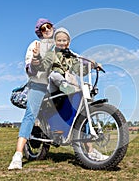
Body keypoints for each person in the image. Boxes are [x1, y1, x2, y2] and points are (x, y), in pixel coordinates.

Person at [32, 27, 109, 161]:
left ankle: (90, 151)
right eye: (59, 40)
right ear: (55, 41)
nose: (62, 42)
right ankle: (65, 85)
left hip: (65, 89)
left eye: (64, 40)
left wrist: (91, 66)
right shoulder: (52, 53)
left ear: (68, 42)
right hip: (53, 85)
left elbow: (78, 69)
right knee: (55, 75)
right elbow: (44, 66)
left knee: (82, 111)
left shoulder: (71, 56)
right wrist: (37, 56)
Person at [8, 18, 56, 170]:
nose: (47, 29)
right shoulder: (35, 45)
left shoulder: (58, 46)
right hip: (38, 84)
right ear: (40, 32)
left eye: (49, 26)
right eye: (43, 28)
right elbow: (29, 69)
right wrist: (35, 60)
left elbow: (72, 58)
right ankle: (18, 155)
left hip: (55, 85)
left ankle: (89, 150)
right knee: (31, 114)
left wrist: (90, 63)